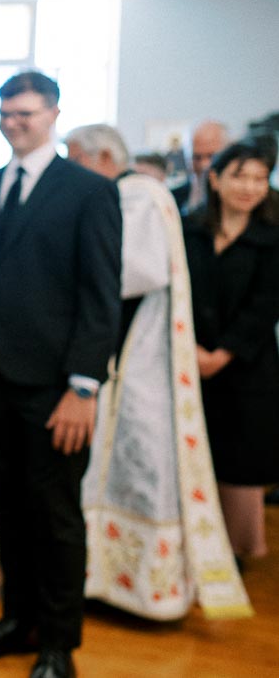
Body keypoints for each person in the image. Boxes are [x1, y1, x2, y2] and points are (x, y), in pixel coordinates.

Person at [0, 72, 121, 678]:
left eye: (25, 113)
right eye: (5, 113)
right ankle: (18, 621)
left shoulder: (89, 192)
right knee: (8, 511)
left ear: (53, 114)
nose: (13, 123)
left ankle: (58, 644)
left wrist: (83, 385)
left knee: (56, 515)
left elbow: (101, 297)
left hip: (54, 387)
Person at [65, 126, 249, 619]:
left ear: (103, 156)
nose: (68, 169)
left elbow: (138, 270)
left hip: (138, 352)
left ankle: (144, 590)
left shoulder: (138, 195)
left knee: (142, 459)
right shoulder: (124, 191)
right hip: (119, 348)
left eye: (74, 158)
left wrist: (67, 268)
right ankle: (97, 576)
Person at [182, 140, 279, 564]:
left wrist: (220, 355)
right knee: (194, 452)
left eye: (260, 178)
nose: (251, 187)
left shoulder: (272, 236)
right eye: (241, 176)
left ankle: (238, 550)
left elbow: (265, 305)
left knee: (240, 459)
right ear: (216, 179)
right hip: (188, 360)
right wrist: (192, 348)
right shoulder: (189, 231)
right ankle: (192, 547)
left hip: (247, 366)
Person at [175, 120, 230, 212]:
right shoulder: (175, 197)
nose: (204, 165)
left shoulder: (241, 199)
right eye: (197, 157)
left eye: (211, 156)